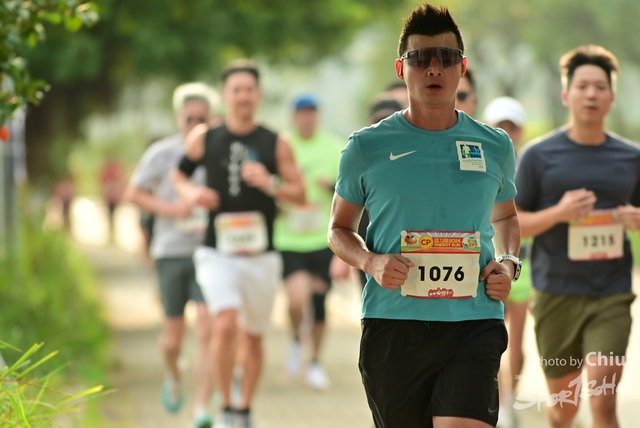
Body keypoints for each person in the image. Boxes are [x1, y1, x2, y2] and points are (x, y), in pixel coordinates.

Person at [328, 4, 520, 428]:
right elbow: (339, 229)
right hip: (393, 324)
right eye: (420, 59)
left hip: (474, 321)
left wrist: (509, 263)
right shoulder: (365, 147)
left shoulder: (494, 145)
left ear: (462, 68)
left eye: (446, 58)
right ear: (402, 69)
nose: (434, 68)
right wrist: (371, 262)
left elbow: (506, 218)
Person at [172, 59, 305, 428]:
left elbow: (299, 193)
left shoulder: (276, 141)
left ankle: (244, 408)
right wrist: (192, 193)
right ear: (225, 95)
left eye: (249, 89)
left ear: (259, 94)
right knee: (225, 323)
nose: (243, 96)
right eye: (236, 90)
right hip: (217, 251)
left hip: (261, 256)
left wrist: (269, 183)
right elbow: (178, 175)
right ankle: (226, 408)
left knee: (254, 337)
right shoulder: (205, 137)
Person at [514, 45, 640, 428]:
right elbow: (513, 223)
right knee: (564, 408)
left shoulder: (632, 157)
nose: (591, 94)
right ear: (566, 95)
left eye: (600, 87)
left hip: (611, 295)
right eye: (582, 86)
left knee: (603, 403)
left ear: (611, 96)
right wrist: (559, 213)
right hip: (556, 295)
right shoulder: (538, 156)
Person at [123, 82, 219, 428]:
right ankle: (174, 373)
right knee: (172, 338)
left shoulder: (219, 150)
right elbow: (133, 193)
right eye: (189, 118)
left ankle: (203, 407)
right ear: (179, 118)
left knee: (208, 328)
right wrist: (172, 209)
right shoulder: (162, 153)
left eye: (201, 118)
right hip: (170, 252)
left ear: (211, 118)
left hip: (208, 251)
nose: (195, 124)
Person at [273, 94, 344, 390]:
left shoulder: (336, 147)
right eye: (302, 113)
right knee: (296, 299)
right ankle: (294, 340)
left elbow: (351, 192)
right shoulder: (282, 146)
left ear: (318, 116)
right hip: (288, 238)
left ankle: (314, 362)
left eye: (312, 113)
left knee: (318, 301)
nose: (307, 118)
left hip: (323, 239)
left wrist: (331, 188)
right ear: (294, 117)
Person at [483, 96, 529, 428]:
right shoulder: (479, 162)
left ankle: (511, 397)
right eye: (500, 126)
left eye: (512, 127)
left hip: (523, 263)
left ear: (520, 130)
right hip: (488, 264)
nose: (507, 133)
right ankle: (500, 401)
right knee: (496, 337)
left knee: (518, 343)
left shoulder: (529, 165)